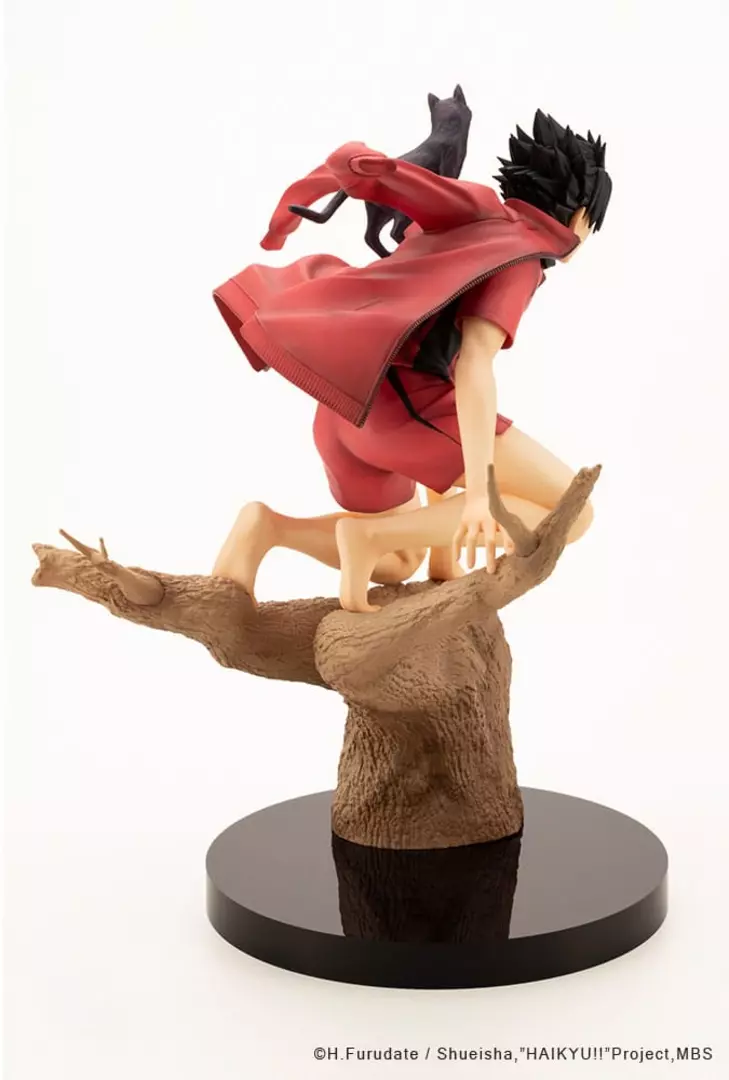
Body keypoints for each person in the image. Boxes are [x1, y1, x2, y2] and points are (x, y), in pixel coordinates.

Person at [211, 109, 612, 612]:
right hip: (400, 414)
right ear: (579, 217)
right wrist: (478, 495)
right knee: (573, 512)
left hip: (347, 408)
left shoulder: (473, 219)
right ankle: (368, 538)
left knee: (400, 562)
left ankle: (268, 528)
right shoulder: (520, 259)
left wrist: (445, 556)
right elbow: (473, 367)